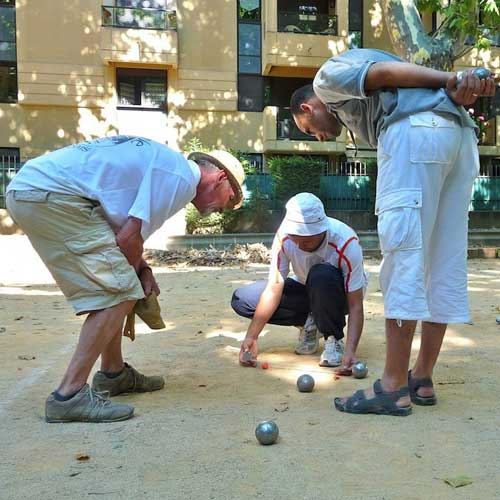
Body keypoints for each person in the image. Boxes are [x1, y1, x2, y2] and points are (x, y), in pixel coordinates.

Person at [290, 48, 496, 416]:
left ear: (308, 108)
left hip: (416, 135)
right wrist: (455, 88)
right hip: (460, 139)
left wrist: (450, 79)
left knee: (404, 255)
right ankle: (422, 377)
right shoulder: (371, 99)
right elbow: (397, 77)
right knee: (442, 261)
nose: (321, 137)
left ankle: (393, 385)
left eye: (310, 130)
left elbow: (382, 73)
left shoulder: (326, 79)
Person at [6, 136, 245, 423]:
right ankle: (68, 396)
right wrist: (135, 283)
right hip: (51, 196)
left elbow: (119, 232)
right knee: (119, 291)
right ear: (220, 178)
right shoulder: (181, 179)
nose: (221, 210)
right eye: (229, 201)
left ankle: (113, 374)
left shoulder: (167, 166)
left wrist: (140, 269)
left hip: (34, 191)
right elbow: (128, 239)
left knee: (121, 285)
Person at [231, 192, 367, 368]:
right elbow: (274, 287)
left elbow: (356, 304)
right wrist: (251, 336)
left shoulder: (345, 242)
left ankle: (333, 337)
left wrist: (350, 351)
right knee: (242, 299)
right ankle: (310, 322)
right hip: (306, 289)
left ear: (322, 230)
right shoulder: (285, 237)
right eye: (296, 238)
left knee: (321, 275)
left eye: (307, 241)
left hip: (340, 297)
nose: (299, 245)